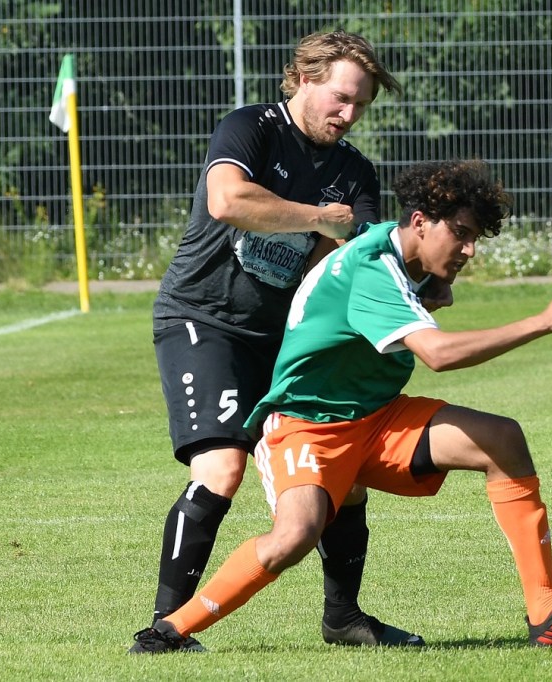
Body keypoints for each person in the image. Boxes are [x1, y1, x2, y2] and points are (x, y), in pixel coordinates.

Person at [130, 159, 552, 652]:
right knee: (294, 536)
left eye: (475, 238)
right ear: (420, 222)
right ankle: (169, 631)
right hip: (307, 425)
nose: (470, 250)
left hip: (376, 419)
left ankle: (546, 611)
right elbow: (438, 354)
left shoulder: (397, 252)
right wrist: (543, 322)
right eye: (460, 234)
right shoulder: (373, 268)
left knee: (502, 439)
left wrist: (430, 283)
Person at [130, 30, 424, 654]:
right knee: (223, 467)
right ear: (305, 79)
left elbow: (347, 263)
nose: (349, 114)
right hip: (204, 319)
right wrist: (318, 216)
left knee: (342, 470)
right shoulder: (251, 128)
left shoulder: (355, 172)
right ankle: (166, 627)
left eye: (361, 105)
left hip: (284, 341)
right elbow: (227, 200)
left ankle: (343, 619)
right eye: (341, 98)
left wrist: (423, 278)